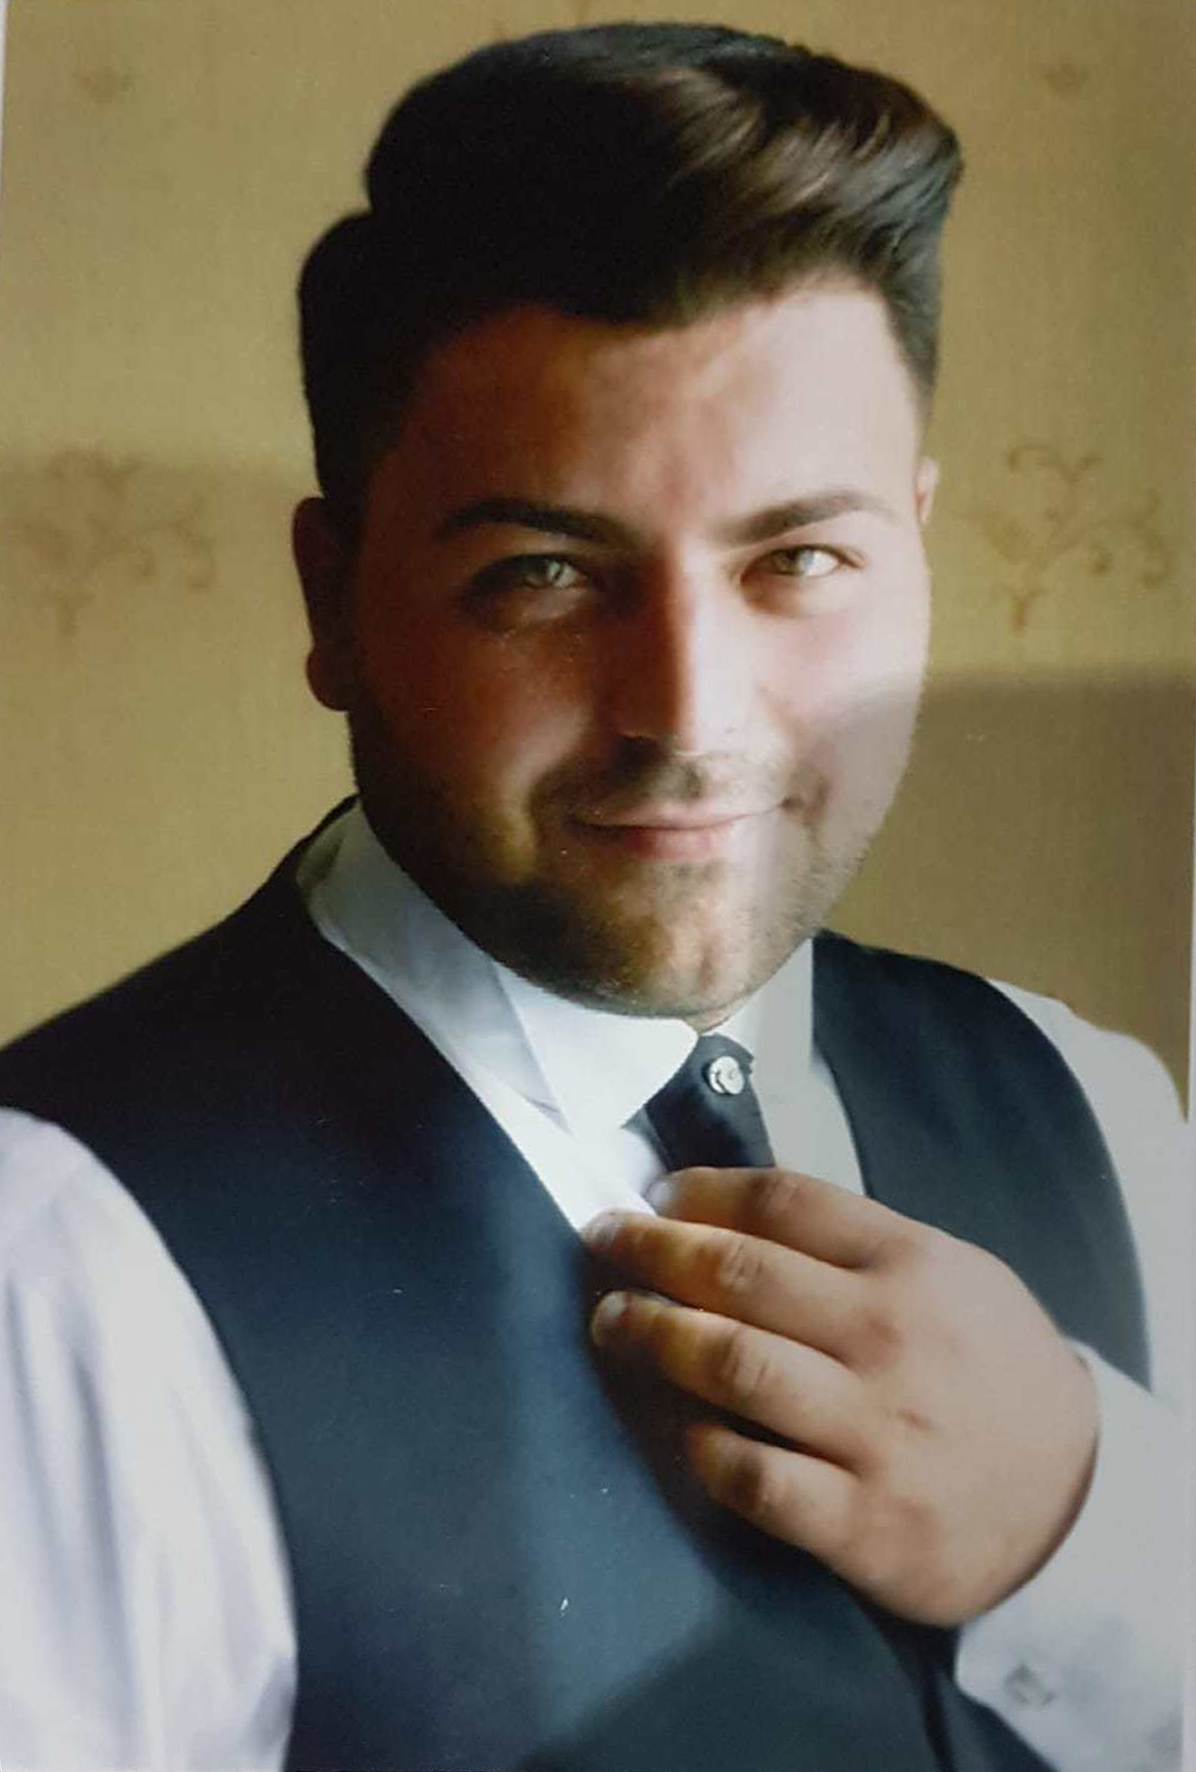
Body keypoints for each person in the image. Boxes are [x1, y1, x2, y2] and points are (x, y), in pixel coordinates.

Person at [0, 22, 1185, 1772]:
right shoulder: (50, 1269)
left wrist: (1085, 1538)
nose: (690, 715)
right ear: (333, 601)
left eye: (801, 558)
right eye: (545, 573)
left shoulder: (1102, 1105)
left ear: (917, 552)